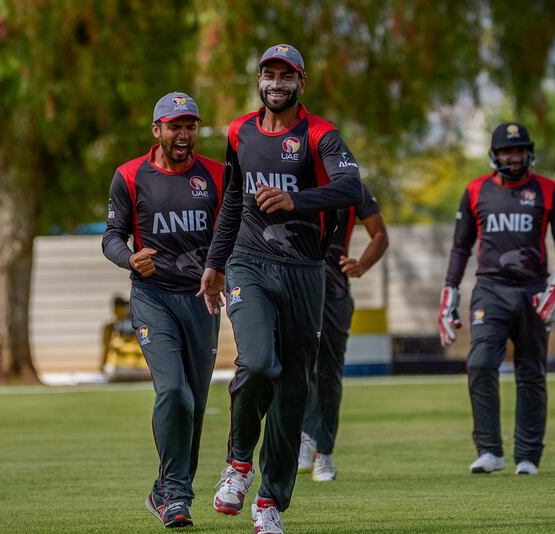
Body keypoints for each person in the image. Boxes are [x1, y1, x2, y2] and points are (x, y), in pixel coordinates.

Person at [198, 44, 364, 533]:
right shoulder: (239, 131)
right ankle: (238, 463)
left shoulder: (321, 135)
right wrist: (214, 263)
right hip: (248, 262)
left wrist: (297, 200)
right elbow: (231, 200)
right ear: (260, 80)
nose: (276, 83)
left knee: (293, 388)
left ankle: (269, 503)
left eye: (285, 76)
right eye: (268, 74)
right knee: (256, 362)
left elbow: (351, 189)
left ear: (300, 82)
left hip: (305, 270)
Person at [102, 92, 224, 528]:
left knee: (193, 406)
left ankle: (164, 490)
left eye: (190, 125)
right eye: (175, 125)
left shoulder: (217, 175)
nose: (184, 134)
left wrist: (223, 270)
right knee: (173, 392)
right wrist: (130, 258)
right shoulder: (130, 176)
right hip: (152, 298)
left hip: (202, 300)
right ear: (157, 130)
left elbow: (232, 232)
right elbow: (111, 236)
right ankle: (177, 496)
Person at [438, 122, 555, 476]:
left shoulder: (548, 189)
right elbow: (460, 246)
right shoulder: (474, 191)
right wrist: (450, 289)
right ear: (494, 155)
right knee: (482, 363)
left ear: (528, 152)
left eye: (518, 150)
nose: (513, 157)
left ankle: (528, 456)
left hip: (534, 291)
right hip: (490, 290)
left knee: (531, 372)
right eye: (506, 151)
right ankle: (489, 451)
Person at [297, 188, 389, 481]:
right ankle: (301, 436)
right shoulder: (288, 174)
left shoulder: (350, 185)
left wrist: (361, 264)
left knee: (328, 372)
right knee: (292, 367)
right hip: (294, 288)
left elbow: (380, 235)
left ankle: (323, 453)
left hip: (334, 293)